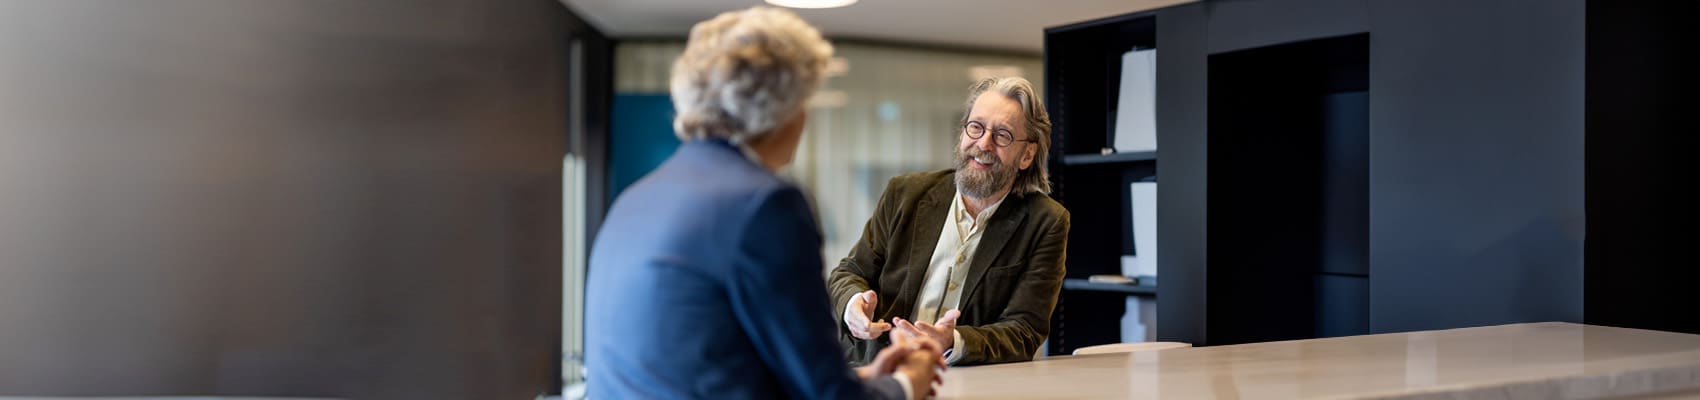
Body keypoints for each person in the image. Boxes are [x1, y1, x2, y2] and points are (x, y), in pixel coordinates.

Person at [584, 7, 942, 400]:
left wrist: (861, 379)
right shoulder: (765, 205)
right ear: (784, 110)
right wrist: (908, 383)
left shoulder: (636, 199)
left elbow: (704, 366)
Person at [829, 76, 1070, 367]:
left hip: (963, 380)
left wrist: (952, 340)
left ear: (1027, 155)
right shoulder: (905, 194)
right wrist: (853, 305)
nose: (983, 143)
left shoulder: (1046, 222)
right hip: (875, 369)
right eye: (976, 127)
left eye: (1002, 135)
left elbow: (1025, 330)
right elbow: (850, 271)